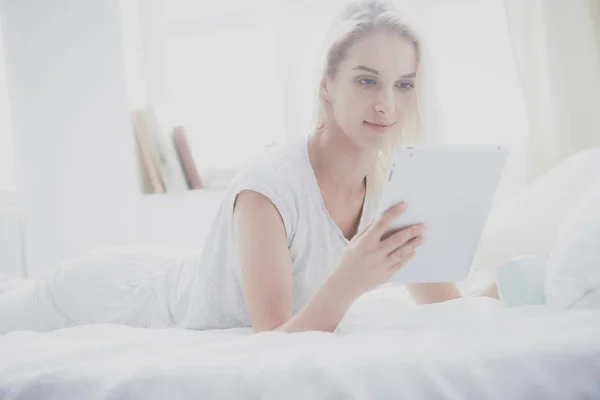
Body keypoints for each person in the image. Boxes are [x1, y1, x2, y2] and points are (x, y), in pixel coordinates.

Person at [177, 0, 499, 333]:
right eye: (367, 81)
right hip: (159, 302)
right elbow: (272, 342)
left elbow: (445, 306)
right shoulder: (268, 189)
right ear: (326, 84)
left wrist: (502, 294)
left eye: (403, 85)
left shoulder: (391, 188)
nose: (386, 106)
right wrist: (349, 280)